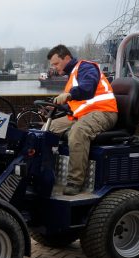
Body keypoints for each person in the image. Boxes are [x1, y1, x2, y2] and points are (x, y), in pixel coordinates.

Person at [46, 45, 118, 195]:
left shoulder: (86, 68)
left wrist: (69, 95)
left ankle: (74, 181)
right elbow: (77, 105)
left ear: (66, 58)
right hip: (83, 115)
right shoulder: (72, 76)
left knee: (78, 131)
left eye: (56, 63)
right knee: (47, 128)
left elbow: (88, 88)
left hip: (103, 112)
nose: (54, 68)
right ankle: (45, 173)